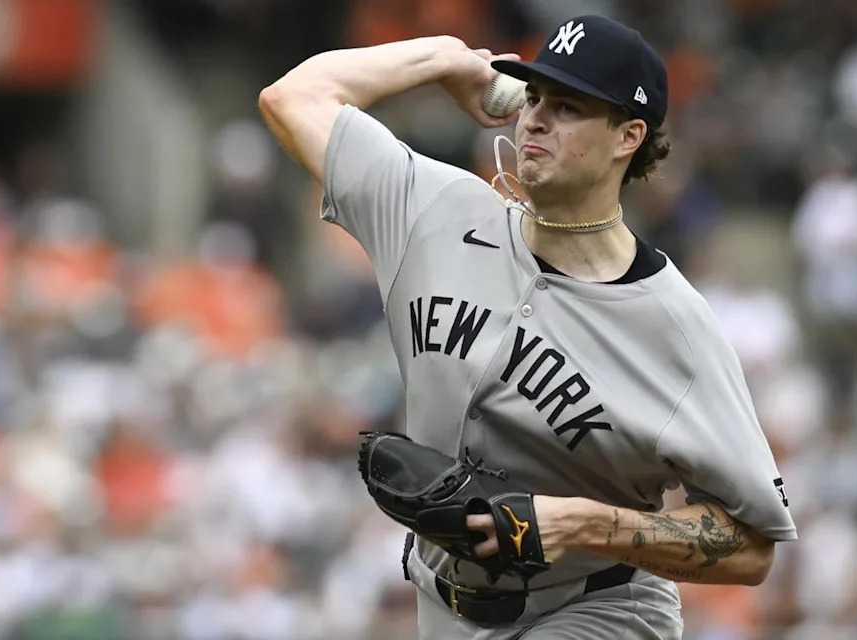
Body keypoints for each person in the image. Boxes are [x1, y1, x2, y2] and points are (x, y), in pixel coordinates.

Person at [259, 14, 797, 640]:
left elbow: (753, 545)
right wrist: (444, 59)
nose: (536, 118)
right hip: (442, 610)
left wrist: (583, 524)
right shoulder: (432, 212)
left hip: (597, 609)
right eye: (533, 95)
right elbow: (293, 96)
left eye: (567, 106)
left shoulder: (673, 326)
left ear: (628, 136)